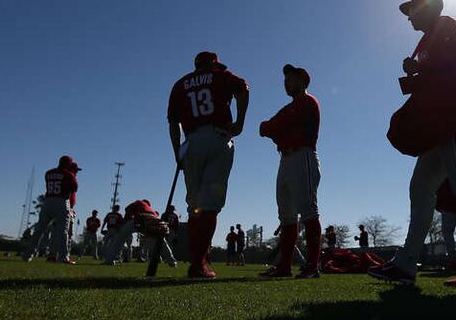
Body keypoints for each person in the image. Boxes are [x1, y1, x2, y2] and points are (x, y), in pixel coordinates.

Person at [368, 0, 456, 289]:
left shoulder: (446, 25)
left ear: (427, 8)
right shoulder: (427, 38)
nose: (408, 17)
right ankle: (406, 264)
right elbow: (436, 78)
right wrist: (416, 77)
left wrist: (420, 68)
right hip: (441, 121)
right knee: (421, 187)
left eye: (412, 10)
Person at [167, 51, 249, 279]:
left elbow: (173, 123)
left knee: (194, 205)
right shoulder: (219, 75)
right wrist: (240, 122)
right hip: (218, 137)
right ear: (212, 64)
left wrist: (177, 152)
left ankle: (196, 261)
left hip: (191, 142)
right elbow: (243, 88)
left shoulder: (180, 84)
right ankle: (199, 264)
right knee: (210, 205)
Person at [259, 63, 322, 279]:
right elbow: (267, 129)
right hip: (285, 159)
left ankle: (312, 266)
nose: (286, 83)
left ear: (303, 81)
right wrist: (276, 128)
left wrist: (276, 128)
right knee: (286, 214)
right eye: (285, 80)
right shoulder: (290, 107)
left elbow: (276, 126)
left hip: (303, 156)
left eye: (291, 79)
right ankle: (284, 266)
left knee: (308, 211)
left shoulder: (307, 102)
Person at [22, 156, 78, 264]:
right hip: (61, 201)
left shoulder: (48, 173)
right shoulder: (68, 175)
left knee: (39, 230)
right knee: (63, 232)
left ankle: (28, 254)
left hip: (48, 201)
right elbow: (74, 188)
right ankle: (63, 257)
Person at [105, 199, 176, 267]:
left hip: (140, 218)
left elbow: (127, 209)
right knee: (161, 240)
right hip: (154, 220)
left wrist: (124, 222)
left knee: (119, 238)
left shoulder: (139, 202)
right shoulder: (151, 210)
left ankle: (110, 259)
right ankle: (172, 261)